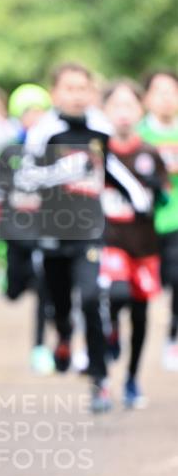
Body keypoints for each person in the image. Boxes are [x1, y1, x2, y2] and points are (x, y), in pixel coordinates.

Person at [22, 62, 154, 412]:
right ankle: (64, 334)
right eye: (69, 88)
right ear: (55, 93)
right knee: (60, 304)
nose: (77, 96)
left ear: (92, 93)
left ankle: (100, 380)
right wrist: (62, 171)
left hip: (90, 233)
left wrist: (139, 199)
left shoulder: (99, 129)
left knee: (93, 298)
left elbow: (112, 168)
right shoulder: (44, 132)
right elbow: (25, 179)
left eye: (83, 88)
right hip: (53, 233)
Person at [100, 79, 168, 407]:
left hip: (144, 246)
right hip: (110, 242)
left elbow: (163, 199)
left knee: (140, 315)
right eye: (117, 105)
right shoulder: (98, 153)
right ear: (105, 110)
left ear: (140, 110)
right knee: (117, 294)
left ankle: (131, 379)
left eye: (130, 105)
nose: (123, 113)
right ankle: (110, 329)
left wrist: (156, 189)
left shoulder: (149, 153)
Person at [0, 83, 55, 376]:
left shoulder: (54, 148)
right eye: (28, 112)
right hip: (16, 231)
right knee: (14, 291)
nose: (35, 117)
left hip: (45, 230)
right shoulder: (8, 150)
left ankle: (40, 347)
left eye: (40, 111)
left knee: (45, 289)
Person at [138, 71, 178, 370]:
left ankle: (173, 338)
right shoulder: (136, 134)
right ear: (147, 98)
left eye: (172, 91)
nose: (166, 97)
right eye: (159, 91)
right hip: (143, 223)